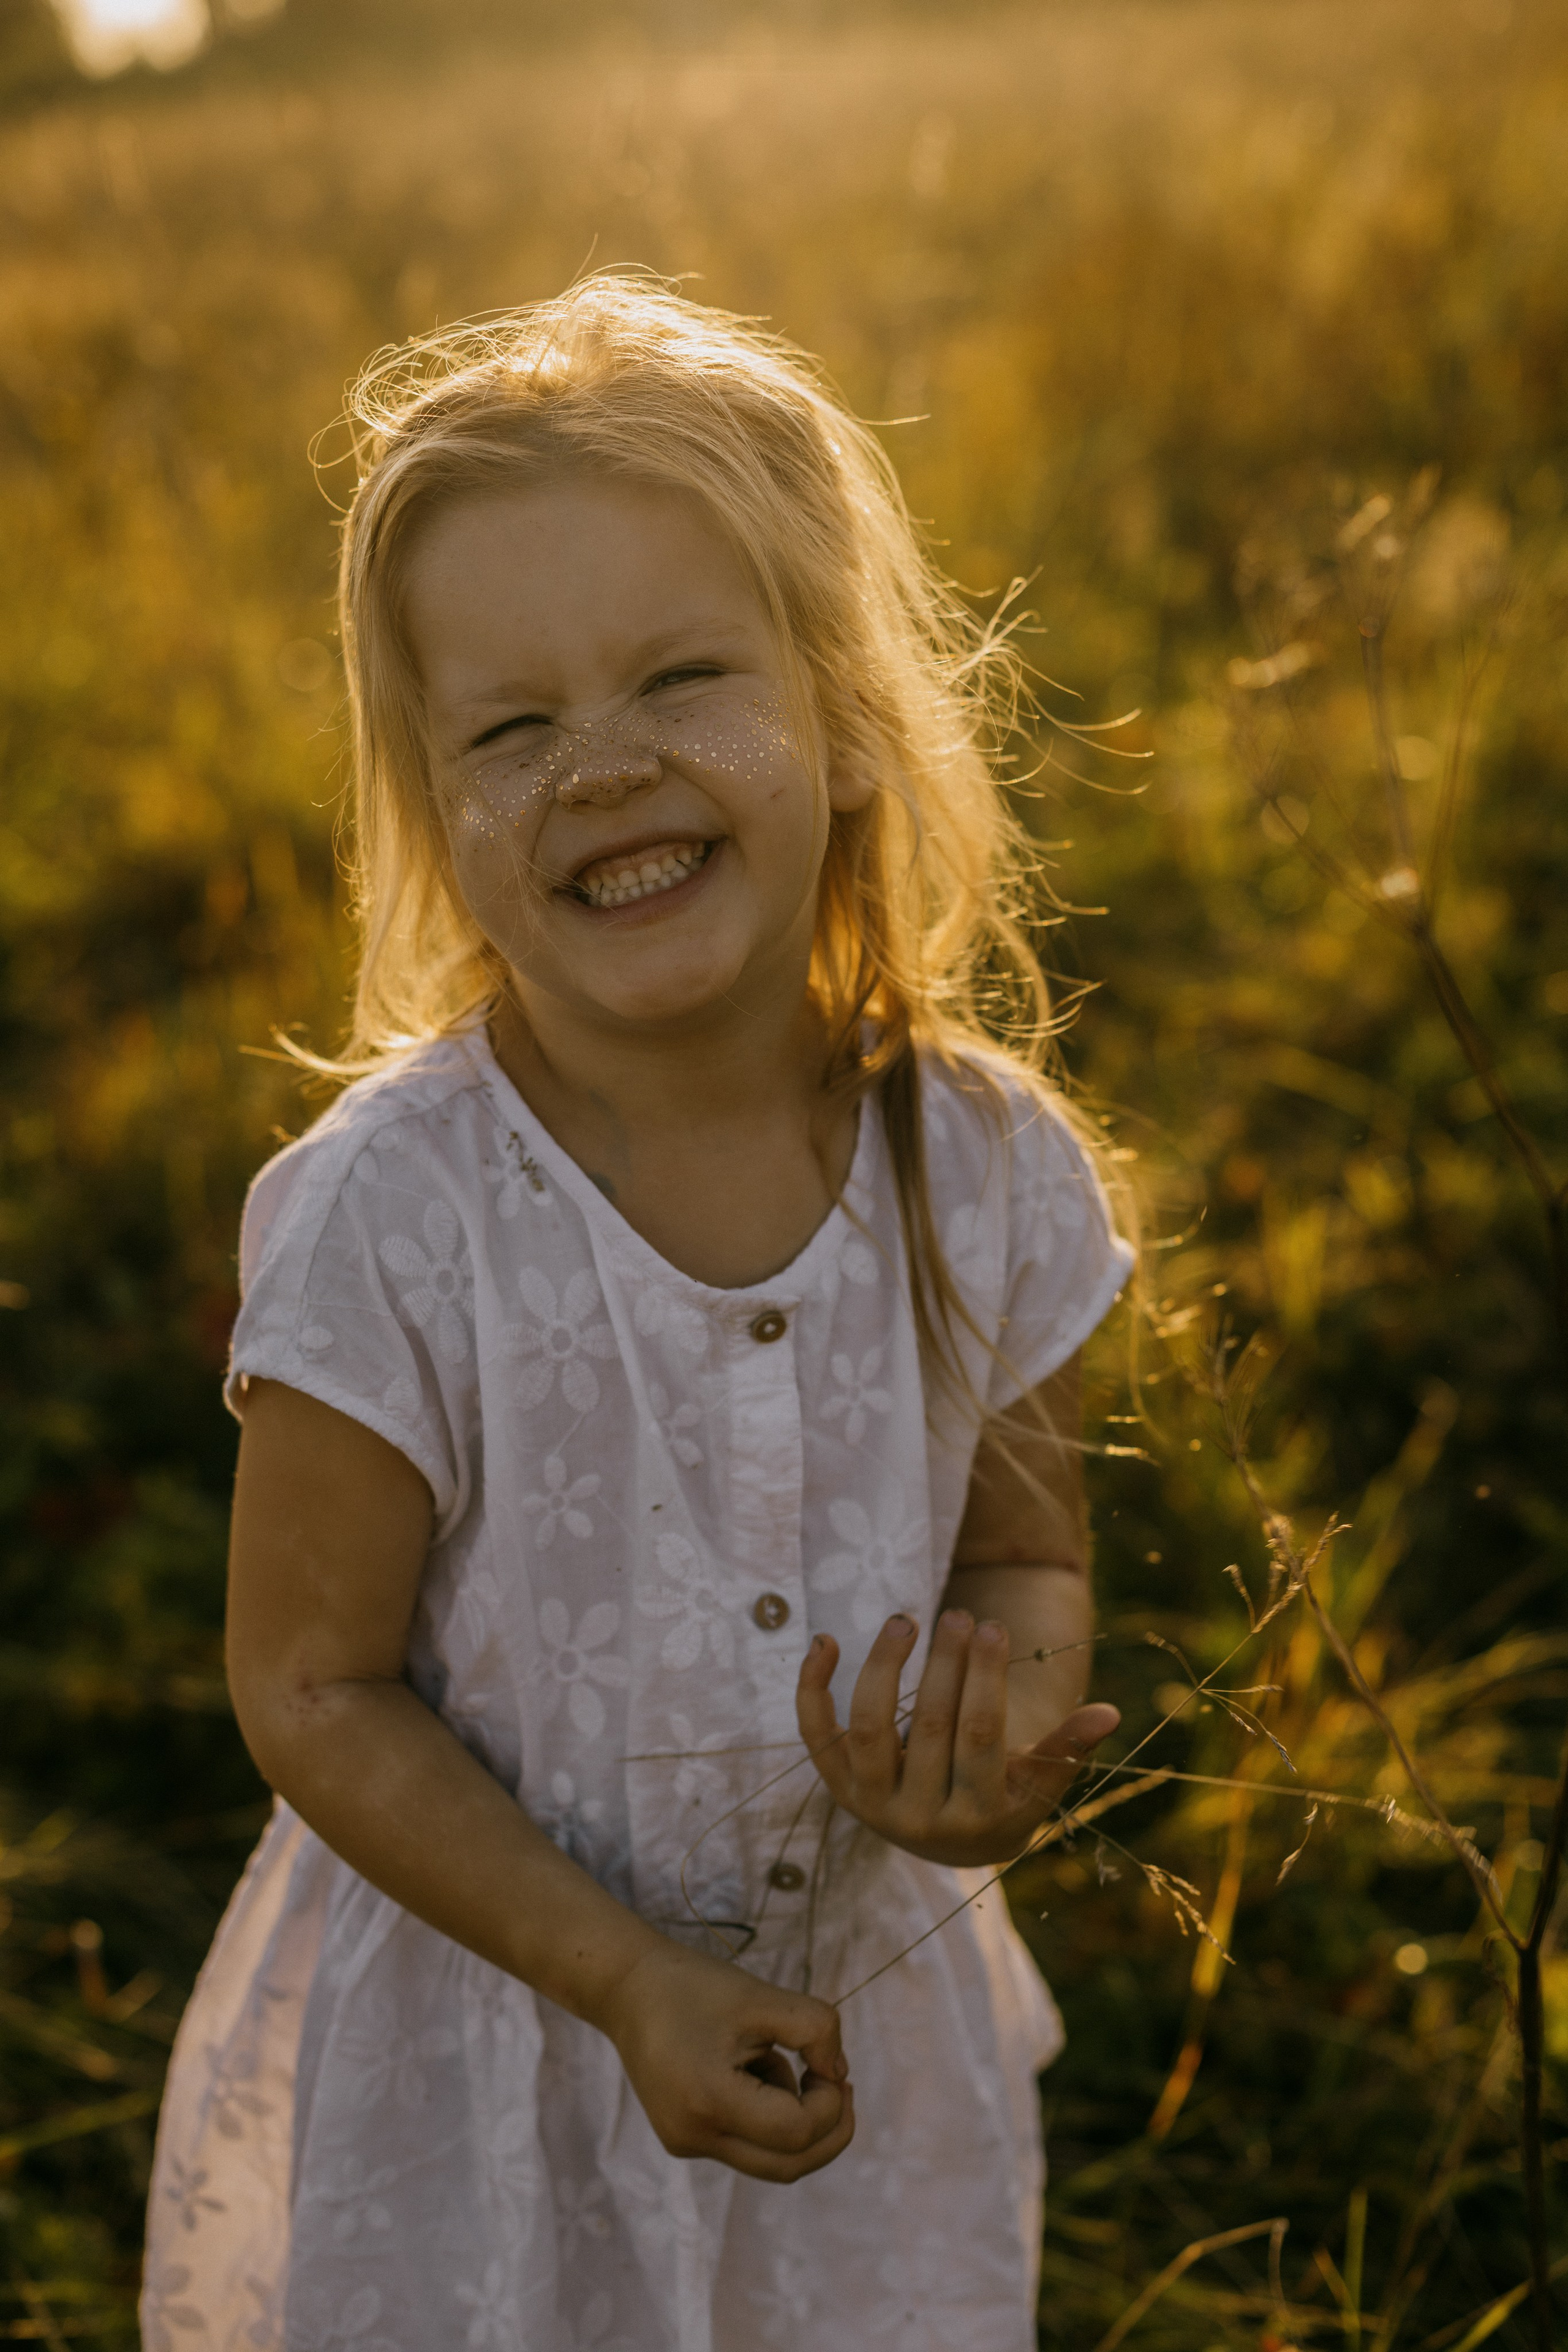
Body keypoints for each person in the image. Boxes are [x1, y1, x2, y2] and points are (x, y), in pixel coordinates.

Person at [141, 276, 1134, 2352]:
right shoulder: (389, 1221)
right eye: (510, 727)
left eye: (683, 675)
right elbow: (311, 1687)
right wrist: (616, 1974)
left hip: (859, 2034)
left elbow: (1027, 1554)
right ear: (434, 808)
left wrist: (994, 1737)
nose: (600, 767)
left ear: (847, 710)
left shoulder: (980, 1165)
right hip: (497, 2050)